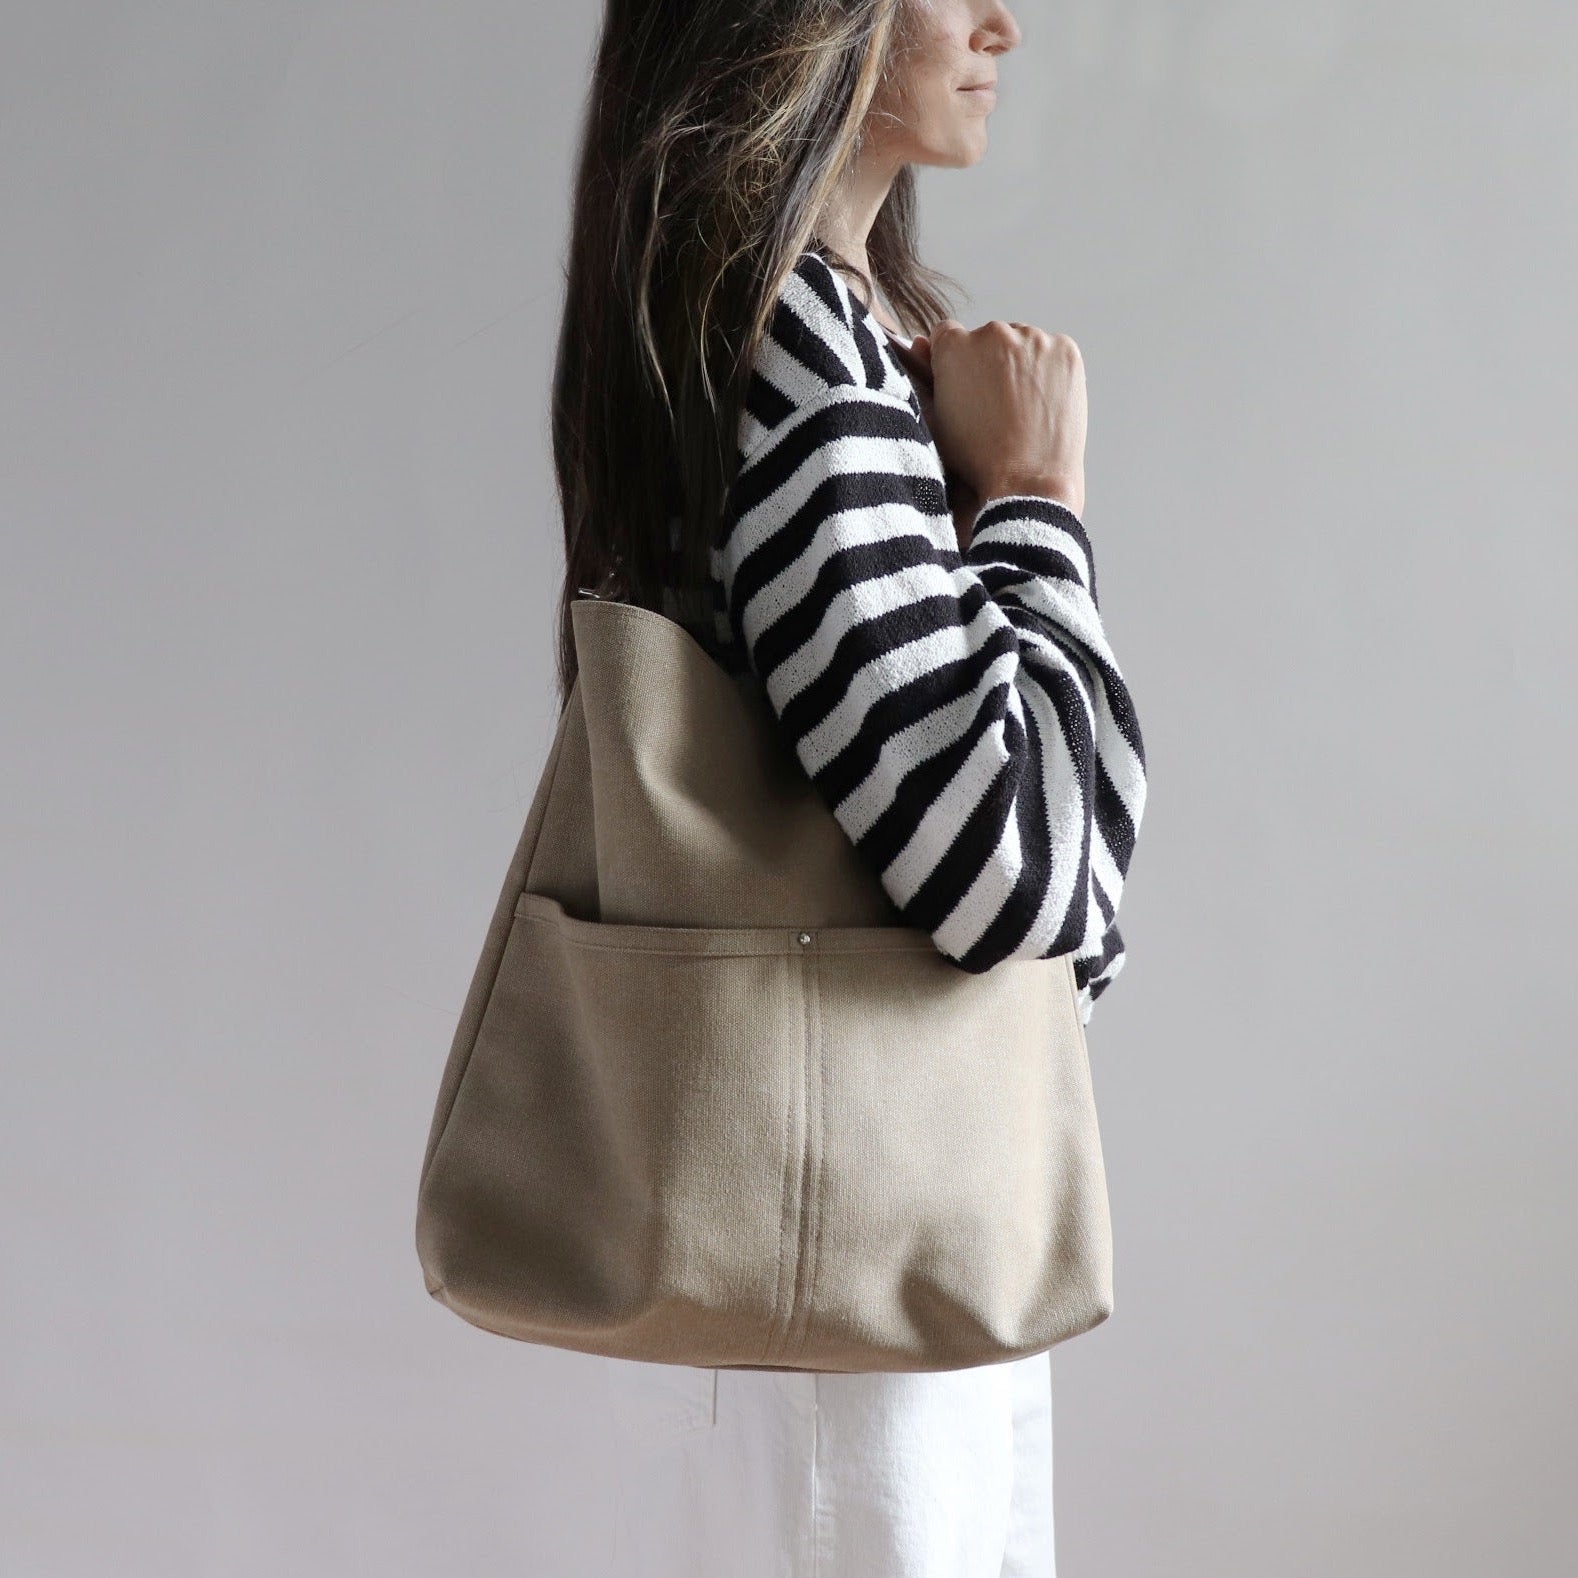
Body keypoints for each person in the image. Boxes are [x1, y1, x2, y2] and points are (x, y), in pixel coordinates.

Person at [545, 1, 1149, 1573]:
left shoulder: (791, 327)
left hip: (854, 1227)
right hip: (850, 1271)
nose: (1002, 22)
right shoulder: (801, 338)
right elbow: (1014, 873)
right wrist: (1034, 502)